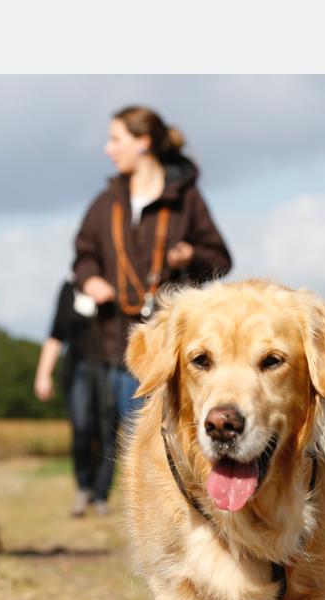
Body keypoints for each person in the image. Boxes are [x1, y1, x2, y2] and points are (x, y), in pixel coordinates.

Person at [71, 105, 232, 509]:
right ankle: (130, 502)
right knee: (120, 427)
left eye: (115, 140)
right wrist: (90, 278)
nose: (108, 149)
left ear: (143, 143)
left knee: (166, 429)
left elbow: (221, 258)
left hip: (170, 340)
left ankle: (184, 505)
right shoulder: (107, 201)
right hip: (117, 337)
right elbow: (84, 253)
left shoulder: (186, 200)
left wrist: (190, 255)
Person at [34, 279, 101, 516]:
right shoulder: (67, 289)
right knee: (82, 428)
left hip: (109, 366)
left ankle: (101, 493)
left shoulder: (113, 279)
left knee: (106, 431)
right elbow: (55, 334)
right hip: (77, 370)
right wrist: (43, 374)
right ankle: (84, 487)